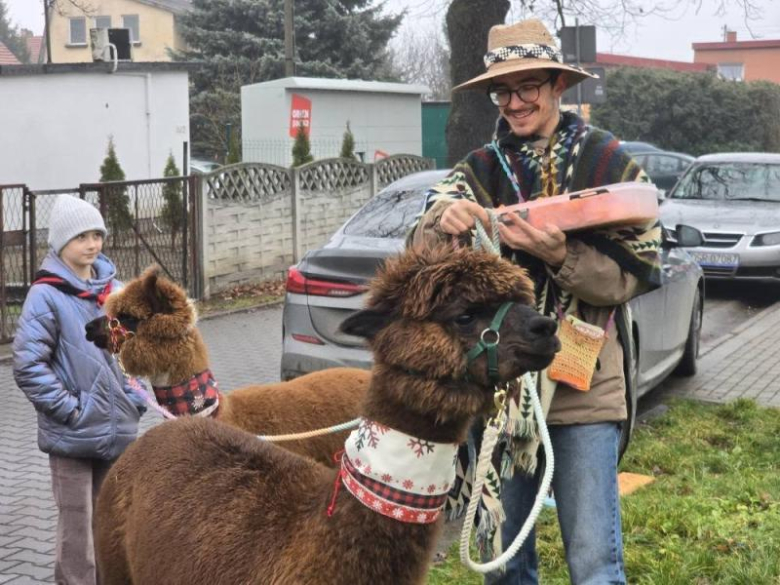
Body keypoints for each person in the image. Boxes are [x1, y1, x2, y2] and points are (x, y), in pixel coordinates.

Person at [409, 19, 661, 585]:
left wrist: (561, 255)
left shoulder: (605, 161)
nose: (515, 103)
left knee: (595, 563)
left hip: (583, 386)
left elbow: (635, 272)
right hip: (502, 391)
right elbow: (421, 250)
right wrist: (443, 219)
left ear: (557, 85)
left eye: (527, 87)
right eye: (503, 91)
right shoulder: (478, 170)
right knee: (504, 566)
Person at [13, 194, 147, 585]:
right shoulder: (45, 295)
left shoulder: (116, 293)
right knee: (77, 529)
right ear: (61, 242)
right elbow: (28, 364)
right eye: (81, 237)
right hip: (71, 435)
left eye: (96, 235)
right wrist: (72, 410)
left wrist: (134, 400)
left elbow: (132, 354)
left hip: (117, 431)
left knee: (111, 526)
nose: (91, 244)